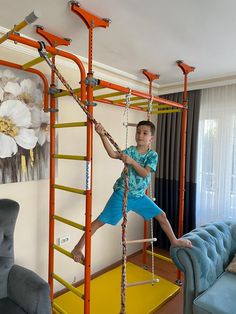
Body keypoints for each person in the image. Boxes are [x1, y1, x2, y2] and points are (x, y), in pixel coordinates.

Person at [71, 120, 192, 263]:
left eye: (145, 133)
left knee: (162, 216)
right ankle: (78, 247)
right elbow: (113, 154)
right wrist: (102, 135)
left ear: (151, 138)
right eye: (138, 131)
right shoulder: (130, 151)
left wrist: (132, 162)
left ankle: (175, 241)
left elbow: (145, 174)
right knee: (100, 221)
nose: (140, 135)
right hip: (123, 194)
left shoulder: (152, 155)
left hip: (139, 197)